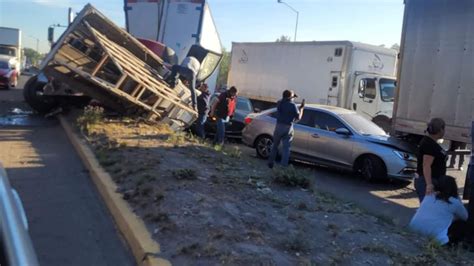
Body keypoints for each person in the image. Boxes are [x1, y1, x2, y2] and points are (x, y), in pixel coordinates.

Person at [409, 175, 468, 245]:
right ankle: (454, 244)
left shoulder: (429, 195)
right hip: (435, 238)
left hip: (413, 230)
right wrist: (457, 198)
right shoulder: (454, 202)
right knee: (462, 224)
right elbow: (465, 217)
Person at [267, 90, 305, 168]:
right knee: (286, 149)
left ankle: (270, 163)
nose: (293, 99)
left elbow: (282, 104)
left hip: (278, 126)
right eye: (293, 97)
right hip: (288, 128)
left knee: (274, 146)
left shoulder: (279, 103)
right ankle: (283, 167)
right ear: (290, 97)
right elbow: (298, 117)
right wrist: (301, 109)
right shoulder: (293, 105)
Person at [415, 118, 447, 202]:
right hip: (427, 181)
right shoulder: (429, 144)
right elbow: (426, 165)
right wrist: (429, 184)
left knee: (431, 208)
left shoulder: (431, 142)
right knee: (428, 209)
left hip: (432, 180)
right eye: (444, 129)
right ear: (440, 130)